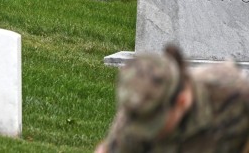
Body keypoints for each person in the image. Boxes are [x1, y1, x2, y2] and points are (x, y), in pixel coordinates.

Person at [95, 45, 249, 152]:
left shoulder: (233, 98)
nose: (147, 133)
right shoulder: (134, 120)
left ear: (181, 101)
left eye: (155, 124)